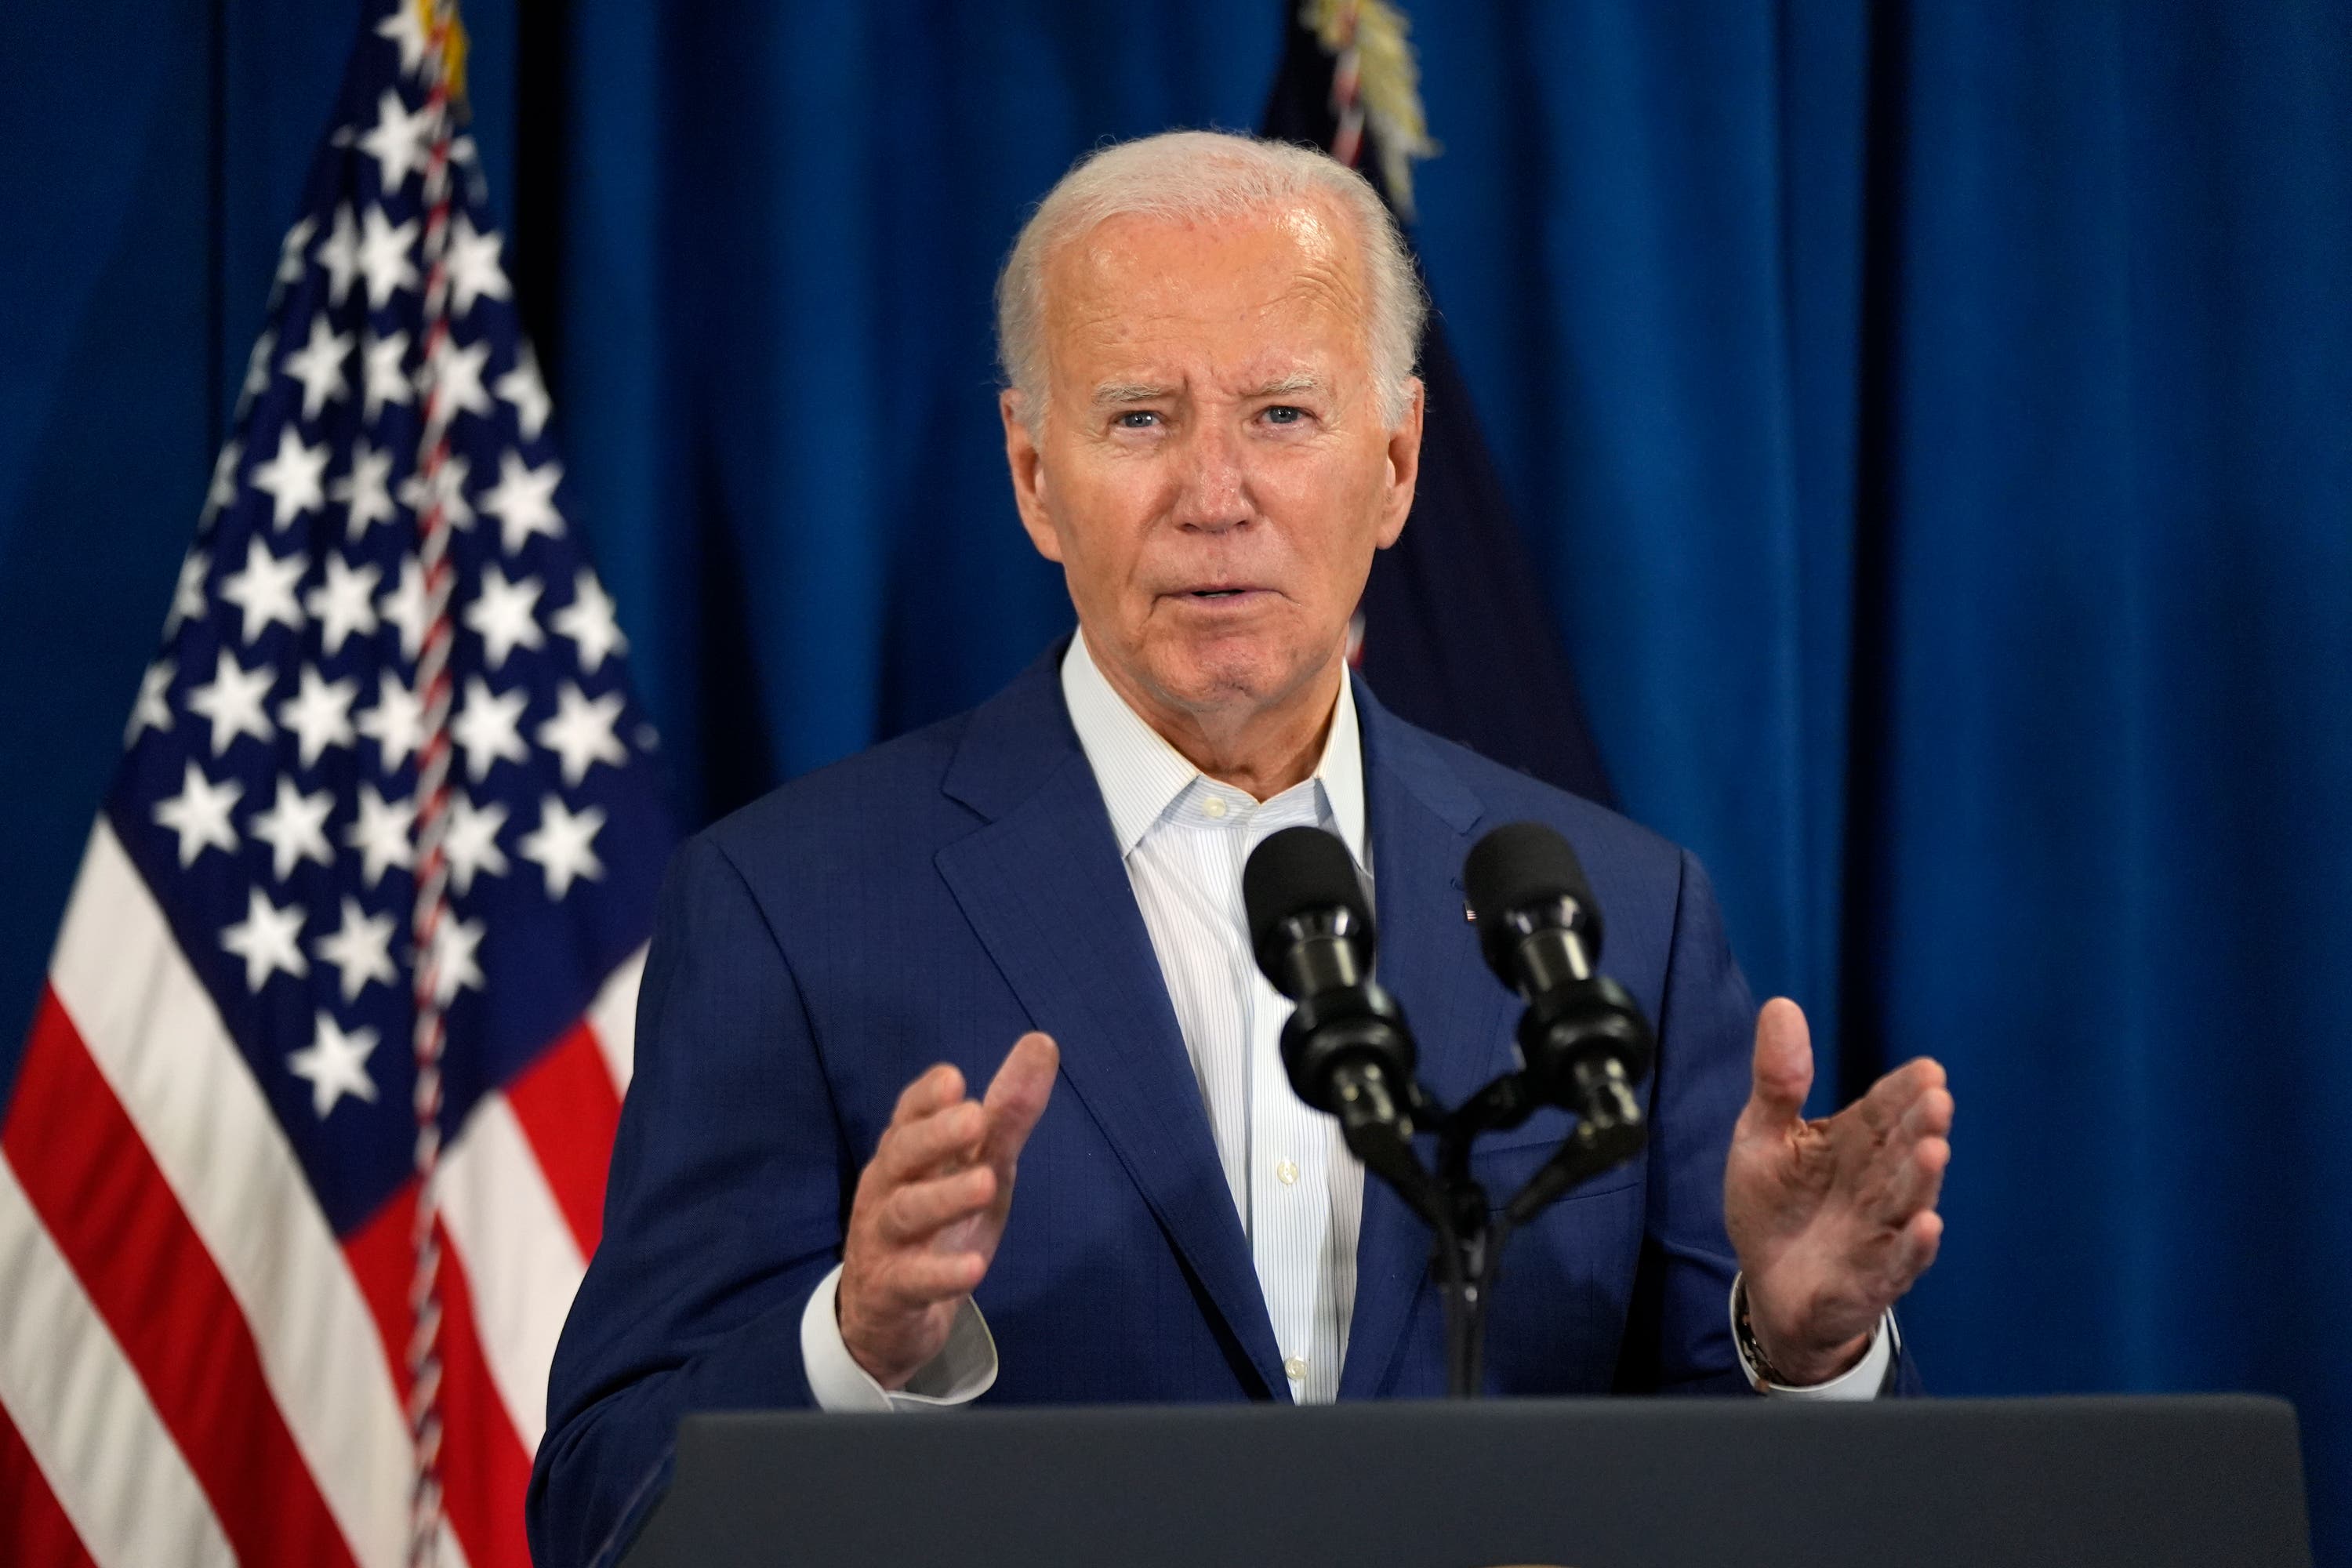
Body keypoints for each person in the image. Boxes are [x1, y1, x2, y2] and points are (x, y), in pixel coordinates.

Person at [527, 130, 1954, 1567]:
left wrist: (1808, 1349)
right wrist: (852, 1347)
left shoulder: (1617, 915)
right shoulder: (793, 907)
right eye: (1141, 418)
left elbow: (1760, 1508)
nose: (1217, 493)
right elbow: (605, 1508)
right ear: (1033, 474)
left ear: (1396, 463)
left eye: (1282, 414)